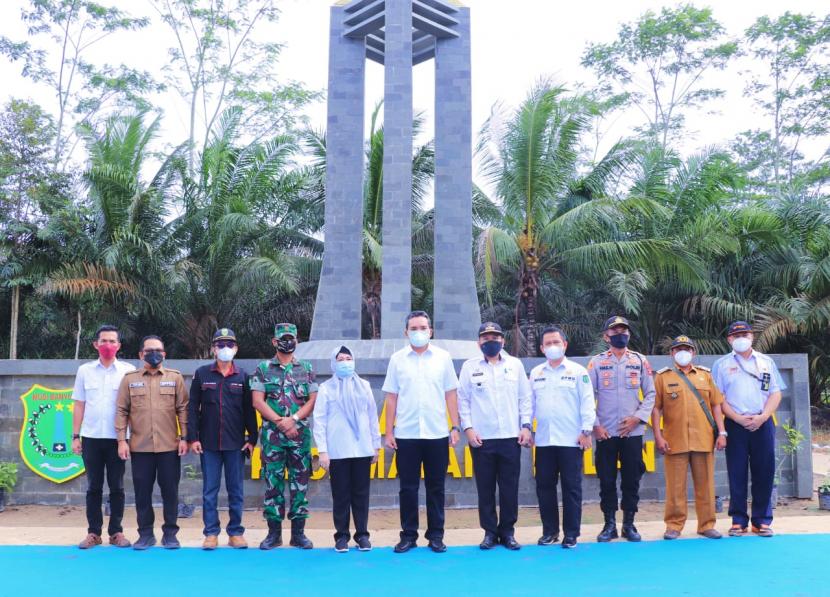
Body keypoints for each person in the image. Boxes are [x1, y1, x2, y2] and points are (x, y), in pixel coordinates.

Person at [382, 310, 461, 554]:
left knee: (436, 487)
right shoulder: (397, 359)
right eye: (414, 328)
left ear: (431, 330)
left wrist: (455, 426)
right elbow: (391, 398)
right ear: (406, 332)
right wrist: (388, 432)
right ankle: (408, 535)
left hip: (437, 433)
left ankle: (436, 536)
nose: (419, 332)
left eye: (423, 327)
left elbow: (450, 394)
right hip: (406, 434)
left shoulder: (443, 357)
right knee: (408, 488)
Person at [457, 322, 532, 550]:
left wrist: (526, 426)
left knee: (509, 488)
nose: (491, 341)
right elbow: (463, 400)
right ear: (478, 342)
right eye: (486, 338)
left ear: (503, 341)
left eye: (495, 337)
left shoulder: (515, 365)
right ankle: (489, 532)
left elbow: (524, 398)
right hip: (482, 439)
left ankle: (508, 532)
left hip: (510, 437)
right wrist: (468, 429)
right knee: (486, 488)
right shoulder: (470, 367)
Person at [712, 321, 784, 538]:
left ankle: (761, 520)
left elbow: (775, 393)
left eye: (745, 334)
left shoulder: (766, 362)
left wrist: (762, 417)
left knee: (764, 471)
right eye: (736, 335)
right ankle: (738, 520)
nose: (741, 338)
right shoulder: (722, 365)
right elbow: (718, 399)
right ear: (729, 340)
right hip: (735, 424)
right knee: (737, 472)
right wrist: (737, 419)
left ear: (752, 336)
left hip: (762, 423)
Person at [115, 335, 189, 550]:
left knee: (170, 492)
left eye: (158, 350)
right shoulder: (130, 379)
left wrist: (184, 437)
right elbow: (121, 410)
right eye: (148, 351)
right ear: (141, 354)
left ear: (164, 354)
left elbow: (183, 409)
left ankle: (170, 534)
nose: (153, 354)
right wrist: (122, 440)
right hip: (140, 447)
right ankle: (145, 534)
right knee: (142, 493)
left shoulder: (175, 378)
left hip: (169, 447)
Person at [187, 328, 258, 550]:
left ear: (236, 349)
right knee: (210, 490)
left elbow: (249, 410)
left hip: (236, 443)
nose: (225, 349)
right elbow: (192, 408)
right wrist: (193, 437)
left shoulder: (243, 376)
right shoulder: (202, 374)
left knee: (236, 490)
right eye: (220, 345)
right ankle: (211, 533)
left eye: (229, 345)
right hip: (208, 444)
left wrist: (252, 439)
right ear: (213, 349)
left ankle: (235, 532)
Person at [588, 315, 655, 543]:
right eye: (615, 331)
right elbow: (588, 397)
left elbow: (651, 394)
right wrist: (595, 426)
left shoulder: (639, 361)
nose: (620, 335)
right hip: (606, 433)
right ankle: (609, 525)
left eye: (624, 331)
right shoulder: (596, 363)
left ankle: (629, 524)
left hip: (632, 433)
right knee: (606, 480)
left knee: (631, 479)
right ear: (606, 336)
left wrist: (638, 418)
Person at [652, 335, 727, 540]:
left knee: (706, 485)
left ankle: (706, 525)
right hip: (674, 441)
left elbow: (716, 405)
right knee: (675, 487)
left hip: (703, 438)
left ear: (693, 352)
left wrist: (722, 432)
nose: (682, 352)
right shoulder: (662, 377)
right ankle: (674, 526)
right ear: (672, 353)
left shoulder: (705, 375)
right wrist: (658, 436)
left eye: (687, 349)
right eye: (678, 349)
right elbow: (656, 409)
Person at [251, 323, 317, 550]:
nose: (287, 342)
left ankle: (298, 534)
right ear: (274, 341)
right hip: (273, 439)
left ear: (297, 341)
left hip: (299, 437)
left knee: (300, 485)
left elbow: (312, 399)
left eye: (291, 338)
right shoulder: (263, 368)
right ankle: (274, 534)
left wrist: (295, 419)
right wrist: (281, 422)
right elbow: (258, 401)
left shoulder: (306, 368)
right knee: (273, 485)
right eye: (283, 338)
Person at [529, 325, 595, 549]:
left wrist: (586, 431)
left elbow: (587, 403)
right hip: (545, 441)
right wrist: (527, 428)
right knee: (544, 487)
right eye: (547, 344)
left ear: (565, 345)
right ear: (541, 348)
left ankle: (571, 534)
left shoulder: (578, 372)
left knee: (571, 488)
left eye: (556, 342)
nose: (552, 347)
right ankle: (550, 532)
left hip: (571, 440)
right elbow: (530, 405)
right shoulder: (537, 373)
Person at [71, 324, 135, 549]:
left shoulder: (128, 370)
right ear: (95, 344)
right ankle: (93, 533)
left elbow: (132, 407)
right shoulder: (85, 371)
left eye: (112, 341)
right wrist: (76, 436)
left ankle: (116, 532)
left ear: (119, 345)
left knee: (117, 487)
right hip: (91, 438)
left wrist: (126, 439)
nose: (108, 345)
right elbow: (79, 404)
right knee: (93, 487)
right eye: (104, 341)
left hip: (118, 439)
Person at [313, 346, 381, 553]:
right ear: (333, 363)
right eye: (340, 359)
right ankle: (341, 536)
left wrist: (375, 445)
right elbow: (320, 420)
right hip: (337, 450)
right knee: (341, 495)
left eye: (348, 358)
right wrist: (322, 451)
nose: (345, 362)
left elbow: (372, 417)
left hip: (361, 449)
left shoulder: (364, 386)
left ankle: (362, 535)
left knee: (361, 494)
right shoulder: (326, 388)